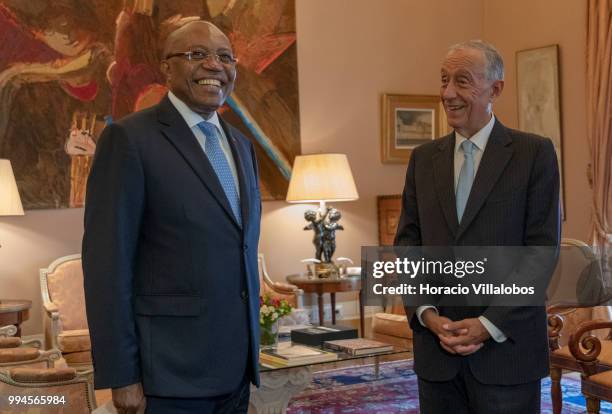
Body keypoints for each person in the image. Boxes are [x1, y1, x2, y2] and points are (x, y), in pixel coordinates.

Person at [82, 20, 261, 414]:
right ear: (166, 68)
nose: (214, 65)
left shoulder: (243, 146)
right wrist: (121, 375)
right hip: (167, 377)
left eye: (225, 57)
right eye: (197, 55)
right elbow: (106, 267)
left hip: (235, 374)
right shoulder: (129, 140)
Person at [394, 40, 560, 413]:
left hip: (508, 354)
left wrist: (489, 323)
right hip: (437, 358)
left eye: (462, 81)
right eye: (444, 80)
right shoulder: (422, 160)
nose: (448, 93)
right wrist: (427, 313)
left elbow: (540, 251)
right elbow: (408, 246)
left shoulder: (534, 153)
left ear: (495, 89)